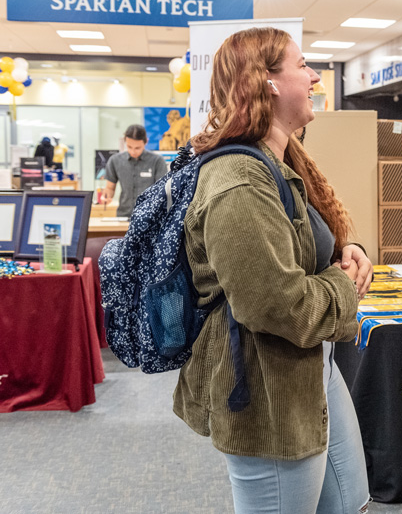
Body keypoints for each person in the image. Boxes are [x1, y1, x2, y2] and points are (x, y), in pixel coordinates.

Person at [172, 26, 373, 514]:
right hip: (266, 391)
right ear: (267, 82)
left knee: (350, 504)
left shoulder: (278, 160)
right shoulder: (238, 180)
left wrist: (350, 251)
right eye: (303, 66)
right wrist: (343, 285)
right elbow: (275, 304)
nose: (316, 76)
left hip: (311, 369)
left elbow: (307, 247)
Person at [102, 124, 168, 217]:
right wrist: (106, 197)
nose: (133, 151)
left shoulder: (157, 161)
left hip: (149, 217)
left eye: (137, 148)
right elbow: (109, 188)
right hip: (124, 215)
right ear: (125, 142)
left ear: (146, 142)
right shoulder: (115, 160)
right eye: (129, 147)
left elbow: (162, 191)